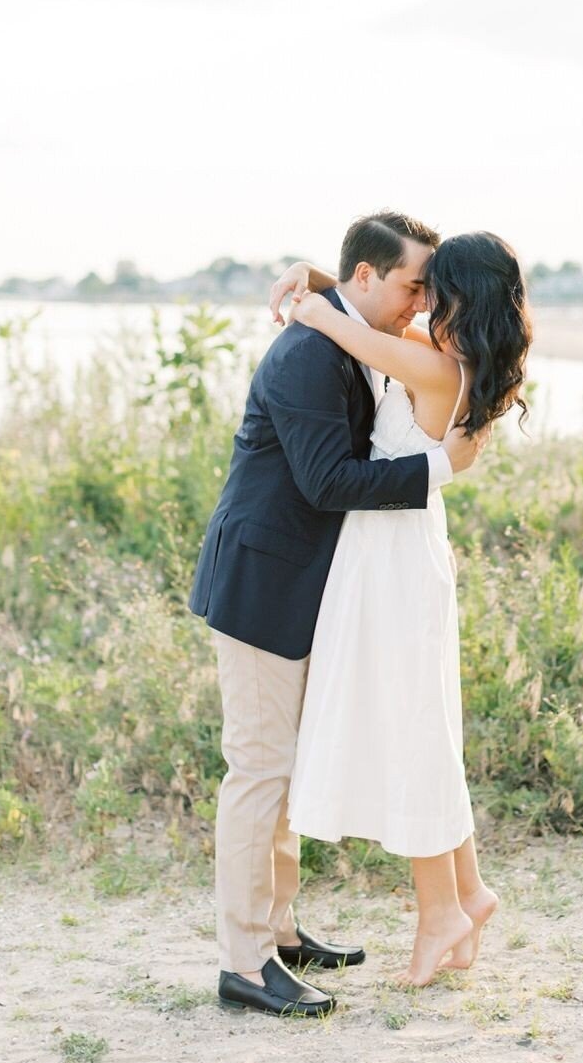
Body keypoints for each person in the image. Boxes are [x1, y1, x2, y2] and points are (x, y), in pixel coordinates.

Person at [188, 212, 487, 1018]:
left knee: (285, 770)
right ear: (366, 278)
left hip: (310, 584)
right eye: (411, 284)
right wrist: (437, 469)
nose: (421, 301)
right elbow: (326, 481)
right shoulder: (308, 353)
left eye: (427, 285)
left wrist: (316, 281)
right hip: (262, 583)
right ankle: (245, 962)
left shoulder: (349, 330)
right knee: (258, 771)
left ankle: (279, 931)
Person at [280, 230, 532, 986]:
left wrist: (308, 298)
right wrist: (324, 272)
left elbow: (343, 324)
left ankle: (440, 913)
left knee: (411, 730)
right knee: (425, 722)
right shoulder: (468, 364)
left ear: (457, 299)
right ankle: (468, 890)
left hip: (391, 556)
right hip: (403, 546)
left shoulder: (426, 360)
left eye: (432, 291)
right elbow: (366, 310)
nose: (420, 302)